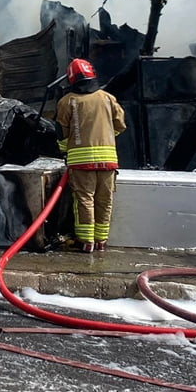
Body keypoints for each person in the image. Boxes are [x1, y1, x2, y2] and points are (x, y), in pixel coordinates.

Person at [55, 58, 126, 253]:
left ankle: (86, 242)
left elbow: (62, 131)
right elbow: (120, 125)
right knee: (104, 201)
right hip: (108, 161)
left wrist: (65, 149)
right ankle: (101, 241)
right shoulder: (107, 98)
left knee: (84, 200)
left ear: (71, 79)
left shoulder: (67, 101)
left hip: (81, 162)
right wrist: (105, 136)